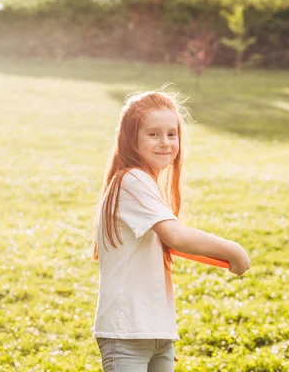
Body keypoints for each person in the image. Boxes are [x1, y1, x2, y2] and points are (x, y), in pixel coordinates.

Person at [91, 91, 251, 372]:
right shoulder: (132, 179)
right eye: (153, 134)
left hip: (152, 332)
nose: (165, 142)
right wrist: (232, 250)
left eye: (171, 134)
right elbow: (175, 236)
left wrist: (159, 331)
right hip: (127, 333)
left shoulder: (144, 183)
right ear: (131, 139)